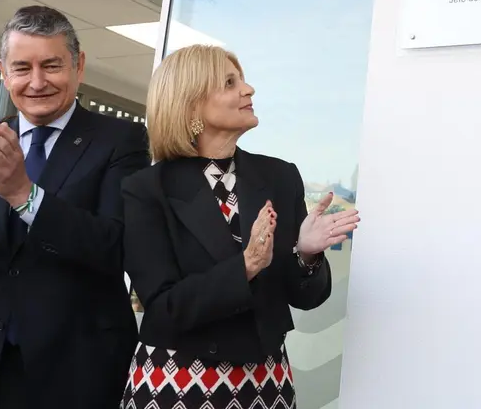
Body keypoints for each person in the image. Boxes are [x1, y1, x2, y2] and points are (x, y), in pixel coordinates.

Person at [0, 6, 148, 409]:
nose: (37, 82)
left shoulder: (120, 141)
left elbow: (116, 247)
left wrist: (24, 195)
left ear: (79, 65)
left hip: (74, 372)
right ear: (3, 71)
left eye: (51, 65)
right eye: (22, 68)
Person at [120, 45, 359, 409]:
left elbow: (306, 298)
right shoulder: (146, 189)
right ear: (191, 104)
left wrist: (306, 254)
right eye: (230, 83)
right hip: (179, 379)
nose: (248, 90)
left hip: (265, 381)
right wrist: (245, 267)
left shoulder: (280, 176)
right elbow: (165, 306)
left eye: (243, 81)